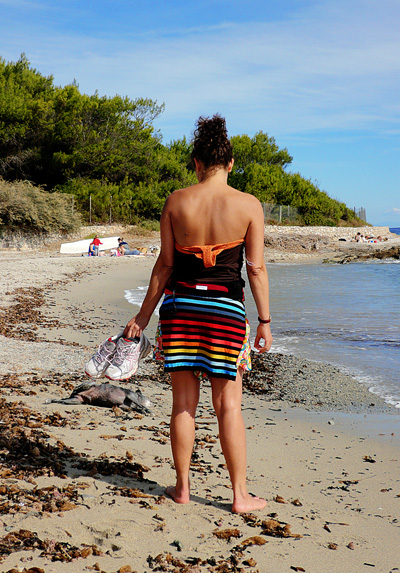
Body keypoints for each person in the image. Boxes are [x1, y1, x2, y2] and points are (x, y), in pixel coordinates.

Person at [122, 114, 273, 513]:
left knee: (183, 405)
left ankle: (183, 488)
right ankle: (239, 496)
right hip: (225, 310)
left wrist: (141, 316)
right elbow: (255, 269)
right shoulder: (249, 205)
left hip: (181, 308)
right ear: (231, 164)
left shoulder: (176, 201)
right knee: (229, 406)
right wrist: (265, 321)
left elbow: (165, 266)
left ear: (195, 163)